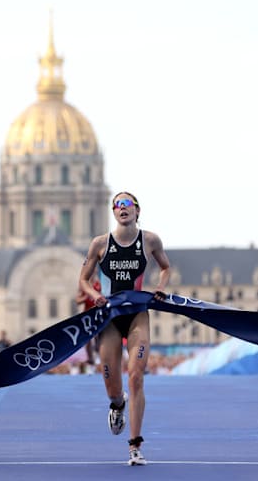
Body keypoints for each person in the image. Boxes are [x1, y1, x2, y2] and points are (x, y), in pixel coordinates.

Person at [78, 191, 171, 466]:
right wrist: (93, 295)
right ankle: (118, 404)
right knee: (112, 385)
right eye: (117, 205)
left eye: (127, 204)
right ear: (113, 212)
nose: (122, 208)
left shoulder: (150, 240)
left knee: (137, 376)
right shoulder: (100, 244)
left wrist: (160, 289)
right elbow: (83, 279)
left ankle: (135, 446)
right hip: (109, 318)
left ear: (137, 211)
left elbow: (166, 268)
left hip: (137, 316)